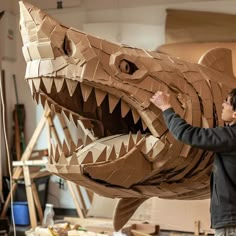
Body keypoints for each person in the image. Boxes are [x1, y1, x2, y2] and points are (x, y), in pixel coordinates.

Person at [150, 89, 236, 236]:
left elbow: (188, 134)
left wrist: (166, 107)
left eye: (226, 102)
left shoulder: (231, 137)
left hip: (231, 222)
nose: (222, 105)